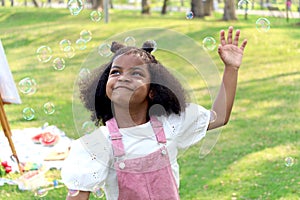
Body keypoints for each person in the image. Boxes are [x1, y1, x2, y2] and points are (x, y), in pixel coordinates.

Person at [61, 26, 247, 200]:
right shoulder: (98, 144)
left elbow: (219, 116)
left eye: (136, 74)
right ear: (105, 86)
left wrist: (231, 68)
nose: (123, 77)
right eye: (116, 72)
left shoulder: (171, 124)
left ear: (153, 90)